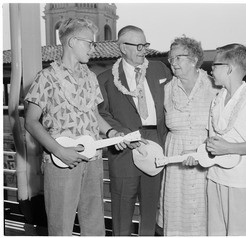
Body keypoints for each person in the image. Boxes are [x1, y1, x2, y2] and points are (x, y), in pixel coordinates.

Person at [24, 17, 126, 236]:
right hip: (61, 161)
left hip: (93, 159)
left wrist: (110, 132)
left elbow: (94, 114)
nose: (93, 48)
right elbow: (31, 121)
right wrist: (58, 150)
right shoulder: (46, 77)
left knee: (94, 224)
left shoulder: (90, 77)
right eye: (89, 43)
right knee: (61, 227)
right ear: (72, 42)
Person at [97, 25, 172, 236]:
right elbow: (101, 114)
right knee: (121, 209)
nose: (143, 50)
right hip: (123, 148)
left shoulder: (160, 69)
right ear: (122, 48)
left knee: (151, 208)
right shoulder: (105, 79)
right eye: (137, 45)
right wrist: (120, 133)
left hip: (156, 143)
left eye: (145, 44)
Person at [206, 43, 246, 236]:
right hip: (214, 177)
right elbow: (213, 138)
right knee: (215, 232)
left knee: (239, 233)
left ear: (229, 69)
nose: (210, 69)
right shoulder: (217, 99)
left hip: (239, 181)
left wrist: (229, 148)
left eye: (215, 65)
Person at [156, 36, 219, 236]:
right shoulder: (165, 90)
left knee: (204, 214)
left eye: (178, 58)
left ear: (193, 59)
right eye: (171, 58)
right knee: (177, 213)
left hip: (207, 156)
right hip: (176, 157)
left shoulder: (214, 86)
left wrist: (202, 151)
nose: (173, 63)